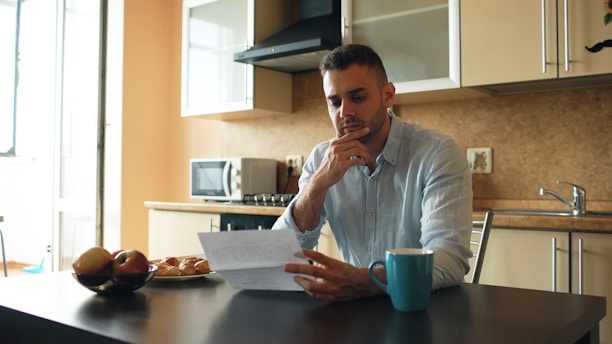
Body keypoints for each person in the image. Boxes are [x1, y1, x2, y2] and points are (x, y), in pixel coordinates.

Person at [272, 44, 473, 302]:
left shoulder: (438, 153)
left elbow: (448, 259)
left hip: (423, 308)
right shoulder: (322, 159)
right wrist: (318, 184)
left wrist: (363, 282)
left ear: (388, 95)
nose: (345, 112)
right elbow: (279, 253)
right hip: (353, 311)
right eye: (335, 102)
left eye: (357, 97)